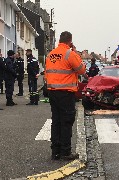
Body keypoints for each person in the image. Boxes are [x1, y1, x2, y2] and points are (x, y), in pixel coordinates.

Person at [45, 31, 86, 160]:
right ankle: (65, 152)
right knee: (66, 122)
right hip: (66, 93)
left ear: (59, 40)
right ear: (70, 41)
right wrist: (75, 52)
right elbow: (82, 69)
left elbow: (47, 73)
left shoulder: (50, 54)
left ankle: (55, 151)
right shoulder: (70, 53)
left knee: (56, 121)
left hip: (52, 92)